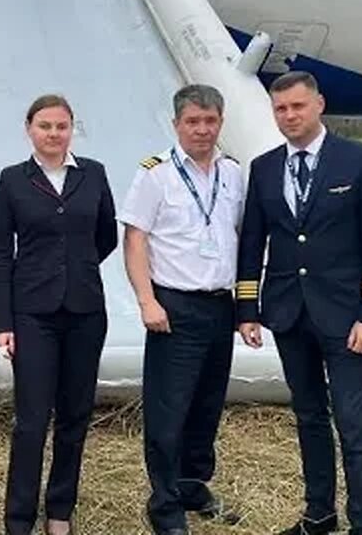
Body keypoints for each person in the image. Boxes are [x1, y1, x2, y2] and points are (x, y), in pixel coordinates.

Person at [235, 71, 362, 535]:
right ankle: (319, 514)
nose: (289, 116)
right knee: (308, 417)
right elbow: (252, 242)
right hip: (288, 312)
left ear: (319, 104)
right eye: (281, 109)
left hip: (345, 317)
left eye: (298, 106)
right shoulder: (264, 167)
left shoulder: (361, 160)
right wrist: (248, 309)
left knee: (353, 423)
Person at [119, 84, 246, 535]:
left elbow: (236, 233)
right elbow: (134, 240)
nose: (202, 130)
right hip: (173, 306)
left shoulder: (232, 174)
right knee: (168, 410)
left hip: (219, 305)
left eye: (210, 121)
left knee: (207, 405)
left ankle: (194, 486)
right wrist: (146, 299)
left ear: (220, 123)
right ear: (176, 124)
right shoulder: (156, 175)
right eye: (193, 121)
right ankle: (165, 502)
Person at [0, 94, 118, 535]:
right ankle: (19, 518)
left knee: (75, 414)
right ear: (29, 128)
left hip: (84, 310)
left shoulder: (94, 175)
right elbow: (0, 254)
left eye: (61, 126)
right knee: (30, 419)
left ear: (71, 129)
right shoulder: (12, 181)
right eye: (45, 126)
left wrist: (74, 268)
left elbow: (107, 236)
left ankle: (59, 510)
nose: (53, 134)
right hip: (32, 314)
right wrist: (3, 321)